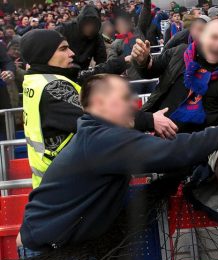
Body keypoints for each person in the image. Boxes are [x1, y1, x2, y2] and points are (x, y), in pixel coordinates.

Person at [16, 73, 218, 260]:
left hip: (57, 244)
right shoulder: (102, 140)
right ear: (99, 104)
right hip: (53, 251)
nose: (132, 105)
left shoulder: (98, 134)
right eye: (124, 98)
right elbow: (173, 152)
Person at [19, 29, 162, 189]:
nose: (71, 53)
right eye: (63, 48)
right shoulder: (53, 86)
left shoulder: (38, 80)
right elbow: (102, 117)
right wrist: (150, 120)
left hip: (55, 185)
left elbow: (90, 74)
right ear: (43, 54)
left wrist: (126, 60)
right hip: (68, 188)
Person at [132, 19, 218, 136]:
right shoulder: (179, 52)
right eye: (214, 37)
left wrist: (217, 133)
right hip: (155, 135)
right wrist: (143, 61)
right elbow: (150, 70)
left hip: (195, 146)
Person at [56, 5, 107, 69]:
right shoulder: (64, 29)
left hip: (82, 72)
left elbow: (101, 60)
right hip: (60, 69)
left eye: (93, 24)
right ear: (81, 21)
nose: (90, 28)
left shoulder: (97, 37)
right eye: (87, 24)